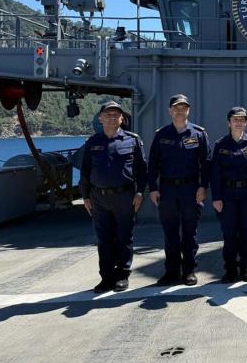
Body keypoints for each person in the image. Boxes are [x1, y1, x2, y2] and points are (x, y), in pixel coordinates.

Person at [80, 101, 147, 293]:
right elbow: (85, 171)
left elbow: (142, 170)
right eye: (108, 114)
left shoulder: (132, 140)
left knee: (124, 237)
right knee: (104, 239)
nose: (112, 117)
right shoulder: (92, 142)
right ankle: (106, 278)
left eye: (116, 114)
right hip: (98, 198)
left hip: (124, 197)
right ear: (100, 118)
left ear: (121, 119)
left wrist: (140, 193)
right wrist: (85, 196)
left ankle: (122, 276)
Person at [147, 94, 211, 286]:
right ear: (170, 111)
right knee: (170, 232)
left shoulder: (198, 134)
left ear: (188, 110)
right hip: (167, 190)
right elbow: (153, 163)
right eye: (176, 107)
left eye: (183, 107)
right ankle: (172, 271)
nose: (180, 111)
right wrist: (153, 188)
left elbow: (206, 163)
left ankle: (189, 270)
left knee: (190, 232)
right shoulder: (161, 134)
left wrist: (203, 186)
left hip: (190, 189)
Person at [210, 106, 247, 282]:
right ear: (229, 122)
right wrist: (216, 197)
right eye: (236, 119)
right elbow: (215, 173)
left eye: (242, 120)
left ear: (246, 123)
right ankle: (231, 269)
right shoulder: (220, 145)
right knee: (229, 233)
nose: (239, 123)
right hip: (227, 196)